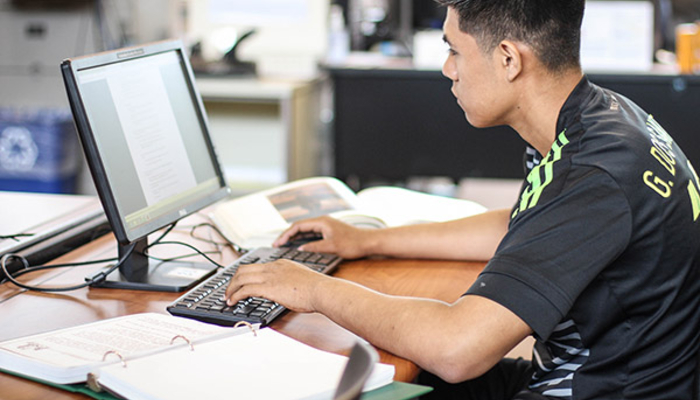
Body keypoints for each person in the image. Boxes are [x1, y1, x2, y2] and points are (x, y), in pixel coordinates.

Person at [224, 0, 700, 398]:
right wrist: (369, 241)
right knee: (382, 367)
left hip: (598, 389)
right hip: (601, 376)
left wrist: (311, 289)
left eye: (454, 49)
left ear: (509, 59)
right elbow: (520, 227)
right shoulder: (603, 117)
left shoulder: (593, 173)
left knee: (354, 378)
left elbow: (459, 349)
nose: (447, 69)